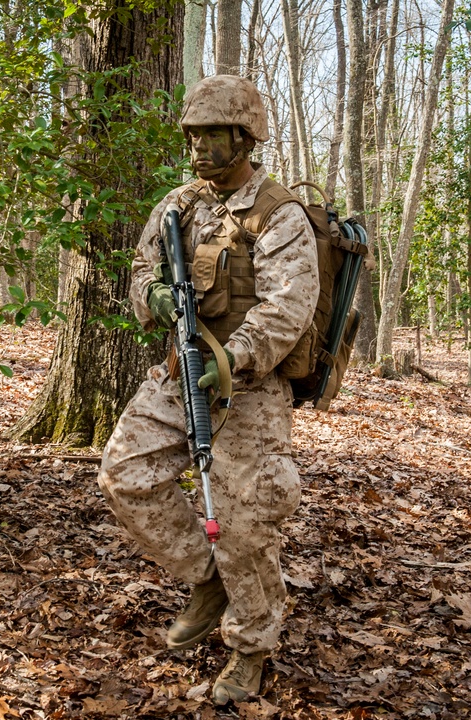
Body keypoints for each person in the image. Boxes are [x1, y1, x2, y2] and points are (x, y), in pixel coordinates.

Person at [96, 74, 319, 706]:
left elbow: (288, 307)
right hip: (179, 368)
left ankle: (251, 648)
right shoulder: (178, 206)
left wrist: (233, 360)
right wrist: (155, 295)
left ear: (245, 137)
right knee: (125, 472)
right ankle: (206, 579)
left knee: (247, 522)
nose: (198, 146)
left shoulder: (279, 215)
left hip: (248, 388)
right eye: (192, 135)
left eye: (212, 134)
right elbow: (141, 270)